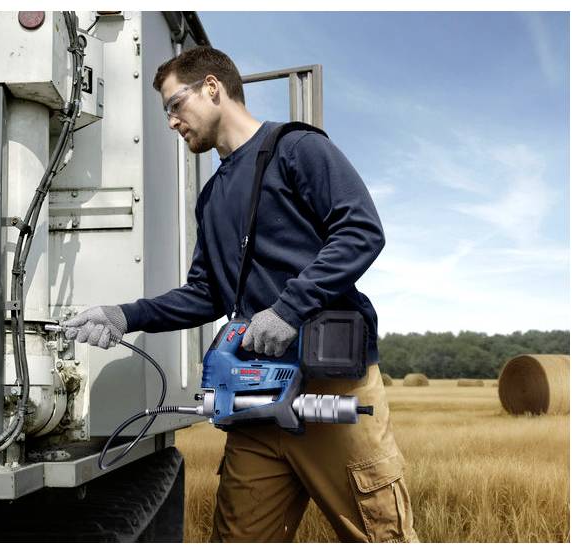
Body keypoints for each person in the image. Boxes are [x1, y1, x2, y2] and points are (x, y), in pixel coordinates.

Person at [64, 46, 417, 543]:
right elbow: (205, 294)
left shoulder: (297, 148)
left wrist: (289, 310)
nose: (170, 121)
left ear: (212, 88)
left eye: (174, 105)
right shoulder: (211, 197)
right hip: (255, 402)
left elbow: (360, 230)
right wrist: (124, 315)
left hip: (330, 392)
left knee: (382, 538)